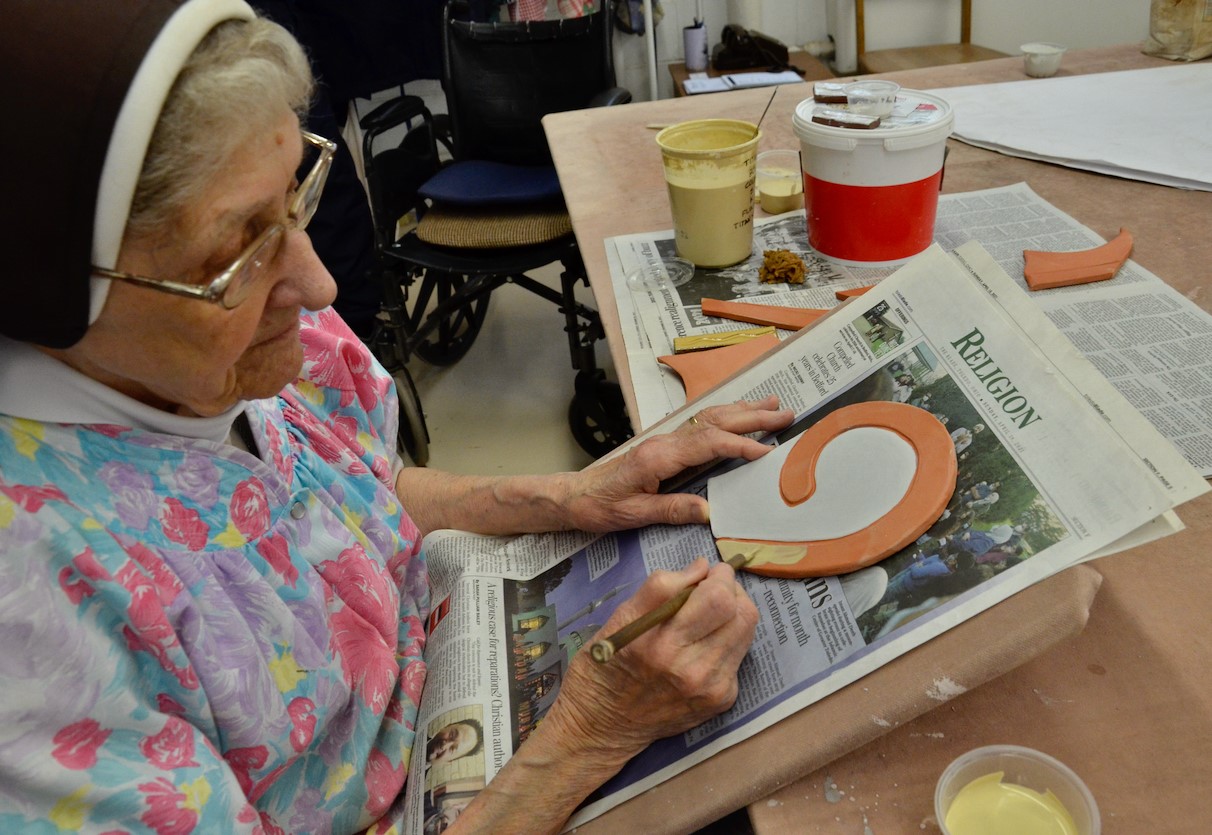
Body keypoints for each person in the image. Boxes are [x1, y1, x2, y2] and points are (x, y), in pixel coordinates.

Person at [0, 3, 793, 832]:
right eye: (234, 252)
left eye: (294, 200)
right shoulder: (34, 623)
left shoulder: (226, 349)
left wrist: (571, 495)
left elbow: (364, 489)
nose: (317, 288)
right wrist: (590, 732)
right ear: (53, 295)